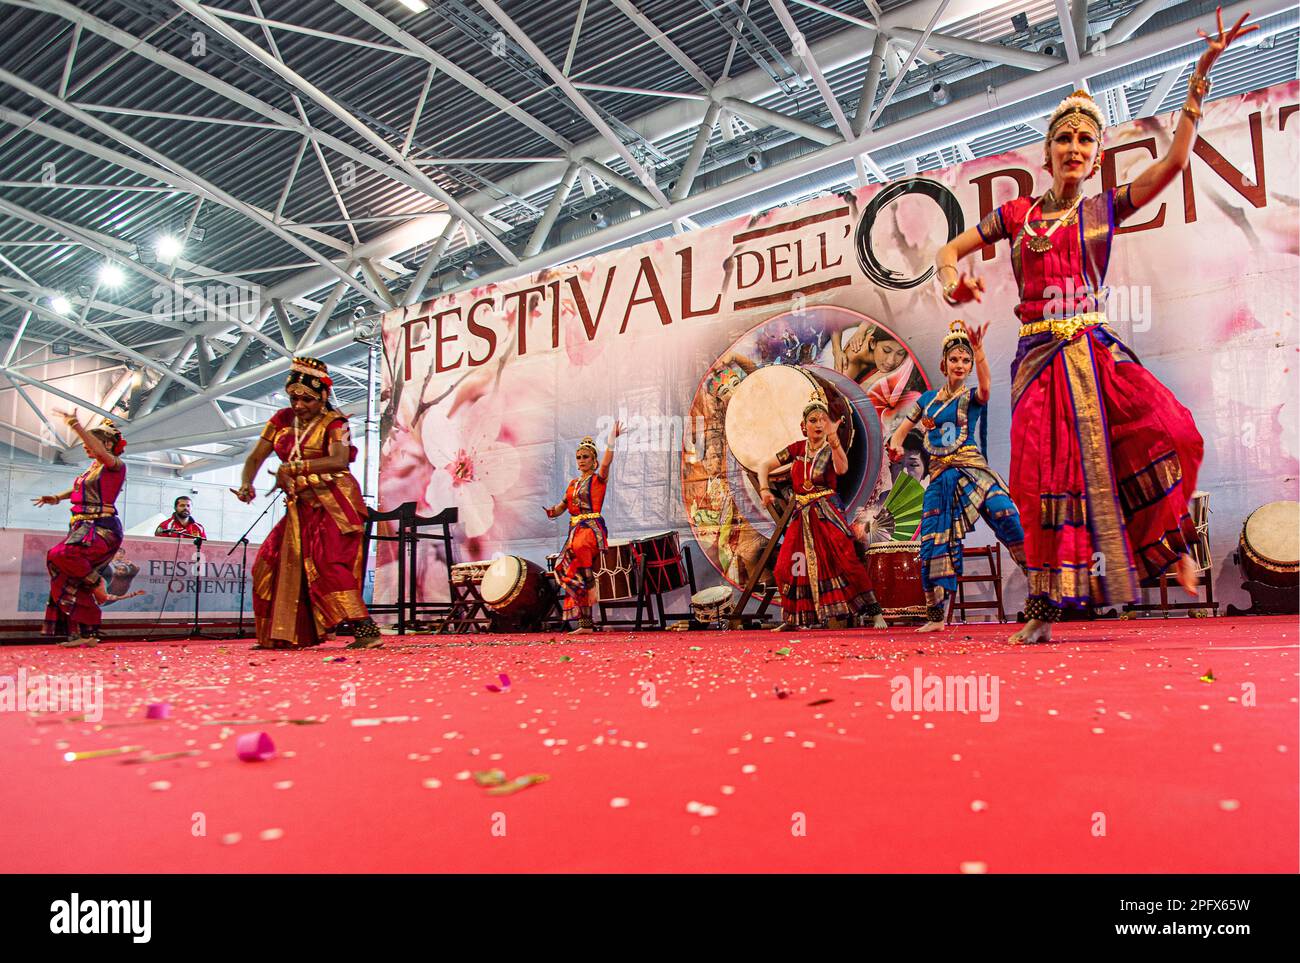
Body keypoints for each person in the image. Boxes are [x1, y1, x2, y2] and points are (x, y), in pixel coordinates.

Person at [933, 10, 1251, 643]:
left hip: (1093, 348)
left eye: (1085, 142)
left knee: (1169, 430)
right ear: (1047, 152)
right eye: (1064, 141)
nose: (1074, 150)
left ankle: (1171, 547)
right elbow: (947, 252)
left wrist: (1197, 85)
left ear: (1096, 153)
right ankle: (1045, 609)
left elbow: (1171, 168)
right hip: (1036, 361)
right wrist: (951, 283)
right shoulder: (1017, 214)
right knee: (1041, 479)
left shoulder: (1104, 210)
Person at [232, 357, 381, 650]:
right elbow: (255, 457)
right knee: (270, 562)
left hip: (335, 503)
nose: (299, 405)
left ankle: (366, 630)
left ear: (323, 396)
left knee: (327, 563)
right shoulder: (281, 420)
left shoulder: (335, 422)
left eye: (307, 399)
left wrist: (293, 468)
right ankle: (285, 633)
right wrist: (246, 483)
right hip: (300, 505)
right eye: (294, 398)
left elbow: (339, 460)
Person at [889, 322, 1026, 633]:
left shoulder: (973, 396)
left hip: (973, 468)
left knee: (1008, 515)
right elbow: (901, 432)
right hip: (940, 476)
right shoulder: (927, 401)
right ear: (944, 364)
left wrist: (980, 353)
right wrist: (895, 446)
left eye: (965, 360)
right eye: (955, 359)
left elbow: (988, 386)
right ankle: (935, 615)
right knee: (931, 541)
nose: (961, 365)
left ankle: (1041, 588)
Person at [757, 393, 888, 630]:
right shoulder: (796, 449)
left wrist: (834, 439)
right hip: (801, 516)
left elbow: (842, 469)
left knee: (847, 561)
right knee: (786, 566)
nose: (818, 424)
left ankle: (875, 612)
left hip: (826, 514)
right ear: (803, 426)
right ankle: (793, 619)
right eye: (813, 420)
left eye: (822, 420)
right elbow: (764, 465)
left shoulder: (830, 449)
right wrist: (764, 489)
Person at [32, 412, 130, 647]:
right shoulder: (91, 469)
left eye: (90, 443)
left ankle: (96, 581)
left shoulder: (115, 465)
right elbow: (78, 488)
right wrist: (56, 497)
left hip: (102, 527)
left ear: (106, 444)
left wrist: (76, 425)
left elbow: (99, 453)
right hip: (81, 526)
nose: (87, 447)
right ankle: (82, 634)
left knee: (62, 555)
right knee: (63, 572)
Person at [545, 422, 622, 635]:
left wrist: (612, 441)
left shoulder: (598, 479)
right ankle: (585, 624)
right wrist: (551, 512)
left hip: (591, 530)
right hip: (576, 530)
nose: (581, 460)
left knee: (580, 552)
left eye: (586, 456)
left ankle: (589, 589)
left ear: (594, 460)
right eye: (579, 457)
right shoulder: (572, 484)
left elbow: (607, 463)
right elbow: (562, 507)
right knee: (571, 571)